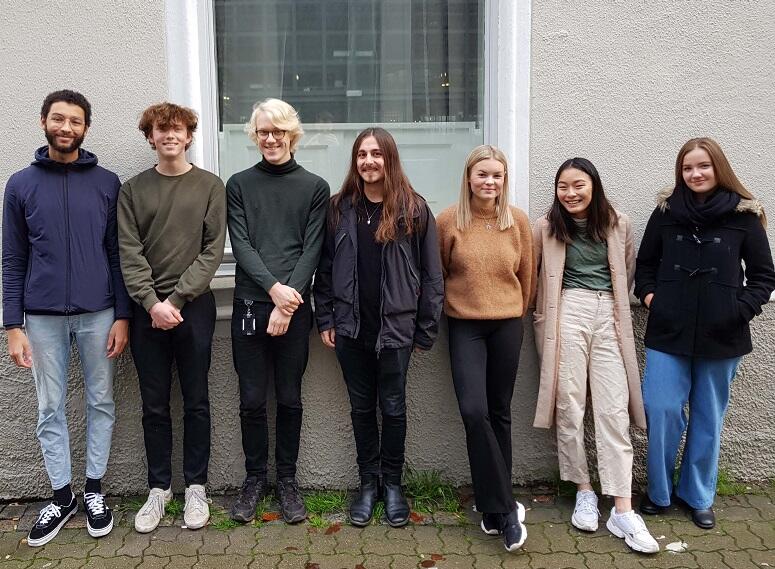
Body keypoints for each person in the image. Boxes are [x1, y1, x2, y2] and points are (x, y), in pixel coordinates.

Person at [2, 90, 131, 546]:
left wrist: (123, 315)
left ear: (85, 128)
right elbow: (13, 258)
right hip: (41, 317)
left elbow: (117, 253)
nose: (66, 127)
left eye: (75, 121)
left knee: (101, 401)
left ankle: (94, 490)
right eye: (58, 119)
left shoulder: (107, 183)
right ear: (43, 122)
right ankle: (61, 497)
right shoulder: (20, 184)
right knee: (49, 407)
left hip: (100, 313)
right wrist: (12, 325)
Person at [635, 138, 775, 529]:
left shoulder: (745, 215)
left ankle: (697, 495)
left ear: (719, 168)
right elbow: (644, 265)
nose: (695, 174)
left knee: (708, 416)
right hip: (669, 330)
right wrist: (652, 298)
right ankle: (659, 492)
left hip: (723, 334)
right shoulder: (665, 213)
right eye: (687, 168)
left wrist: (738, 310)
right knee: (661, 408)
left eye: (703, 166)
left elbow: (764, 276)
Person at [314, 127, 443, 527]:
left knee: (393, 407)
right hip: (351, 328)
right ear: (355, 161)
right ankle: (368, 484)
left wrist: (425, 328)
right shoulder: (339, 209)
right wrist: (325, 317)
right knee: (361, 408)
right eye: (362, 154)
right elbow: (325, 268)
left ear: (389, 159)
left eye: (376, 154)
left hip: (396, 330)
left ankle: (393, 485)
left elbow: (432, 275)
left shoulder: (414, 210)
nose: (368, 161)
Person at [532, 158, 659, 553]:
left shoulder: (618, 223)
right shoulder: (547, 227)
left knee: (613, 408)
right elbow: (537, 275)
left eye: (579, 185)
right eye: (563, 186)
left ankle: (622, 507)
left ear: (594, 186)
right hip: (566, 310)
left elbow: (627, 271)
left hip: (610, 313)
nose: (570, 193)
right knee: (569, 402)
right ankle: (584, 490)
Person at [118, 102, 226, 533]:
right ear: (150, 137)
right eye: (160, 130)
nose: (169, 135)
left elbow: (212, 250)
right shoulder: (132, 190)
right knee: (154, 404)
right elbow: (129, 252)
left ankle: (196, 487)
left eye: (177, 129)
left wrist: (177, 300)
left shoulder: (210, 186)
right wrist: (152, 303)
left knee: (197, 401)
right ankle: (158, 489)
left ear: (189, 136)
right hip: (147, 312)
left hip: (194, 308)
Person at [227, 98, 329, 524]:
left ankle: (287, 481)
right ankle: (254, 480)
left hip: (295, 310)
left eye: (278, 131)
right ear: (255, 136)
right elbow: (241, 245)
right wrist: (274, 291)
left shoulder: (315, 187)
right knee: (252, 400)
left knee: (289, 398)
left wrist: (287, 304)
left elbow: (312, 249)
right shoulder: (238, 184)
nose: (271, 139)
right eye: (263, 132)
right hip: (250, 305)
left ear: (292, 134)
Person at [436, 145, 531, 552]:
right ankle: (507, 509)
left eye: (497, 175)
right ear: (469, 178)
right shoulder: (448, 221)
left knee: (500, 412)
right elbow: (439, 273)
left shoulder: (517, 222)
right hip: (465, 326)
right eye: (483, 174)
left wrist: (515, 312)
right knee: (474, 411)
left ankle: (491, 506)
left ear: (504, 179)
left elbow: (527, 275)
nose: (490, 182)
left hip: (507, 324)